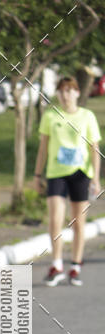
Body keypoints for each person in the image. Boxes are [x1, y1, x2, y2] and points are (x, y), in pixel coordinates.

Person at [33, 76, 101, 286]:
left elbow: (94, 149)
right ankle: (57, 264)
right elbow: (43, 148)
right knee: (55, 220)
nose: (66, 95)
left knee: (78, 222)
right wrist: (37, 175)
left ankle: (76, 266)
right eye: (62, 91)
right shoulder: (50, 116)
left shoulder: (87, 116)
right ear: (57, 94)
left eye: (70, 91)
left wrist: (96, 179)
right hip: (56, 173)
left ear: (78, 93)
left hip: (81, 173)